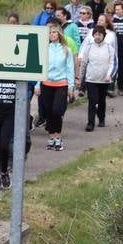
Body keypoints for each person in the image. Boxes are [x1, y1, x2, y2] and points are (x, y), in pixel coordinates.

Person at [33, 22, 77, 151]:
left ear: (59, 34)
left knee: (57, 111)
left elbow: (70, 69)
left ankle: (58, 137)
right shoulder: (45, 49)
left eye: (54, 32)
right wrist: (37, 84)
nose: (52, 35)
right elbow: (39, 68)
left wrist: (71, 87)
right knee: (48, 112)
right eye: (50, 32)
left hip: (61, 84)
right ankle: (52, 138)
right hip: (46, 84)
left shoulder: (66, 49)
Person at [77, 27, 114, 132]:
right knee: (92, 101)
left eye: (100, 35)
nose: (97, 37)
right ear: (93, 35)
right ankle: (90, 123)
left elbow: (112, 63)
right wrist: (81, 78)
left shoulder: (109, 48)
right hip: (91, 79)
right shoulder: (88, 47)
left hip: (104, 80)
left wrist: (109, 74)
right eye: (96, 34)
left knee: (101, 100)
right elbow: (84, 64)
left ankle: (101, 118)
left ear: (103, 36)